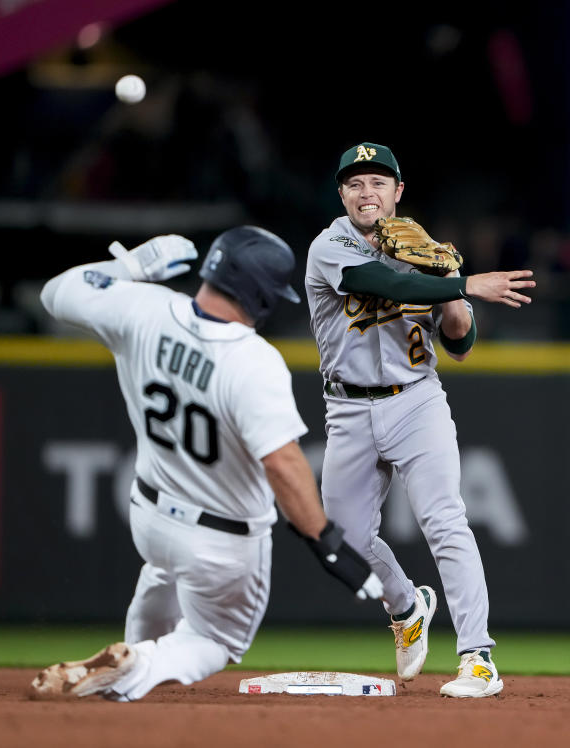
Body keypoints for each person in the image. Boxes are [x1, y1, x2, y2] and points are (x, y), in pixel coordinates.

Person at [31, 226, 383, 701]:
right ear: (259, 295)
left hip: (150, 514)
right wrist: (326, 542)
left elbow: (56, 294)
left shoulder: (142, 307)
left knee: (163, 571)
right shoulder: (252, 360)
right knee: (216, 640)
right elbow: (282, 464)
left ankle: (132, 654)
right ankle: (136, 664)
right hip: (222, 541)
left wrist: (129, 269)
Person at [305, 142, 536, 698]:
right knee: (345, 540)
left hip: (416, 400)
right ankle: (407, 605)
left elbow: (460, 342)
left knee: (444, 519)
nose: (367, 193)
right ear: (342, 195)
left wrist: (454, 296)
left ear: (397, 192)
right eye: (355, 184)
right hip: (348, 407)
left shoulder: (422, 247)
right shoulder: (329, 246)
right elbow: (385, 285)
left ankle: (478, 658)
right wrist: (463, 283)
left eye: (378, 183)